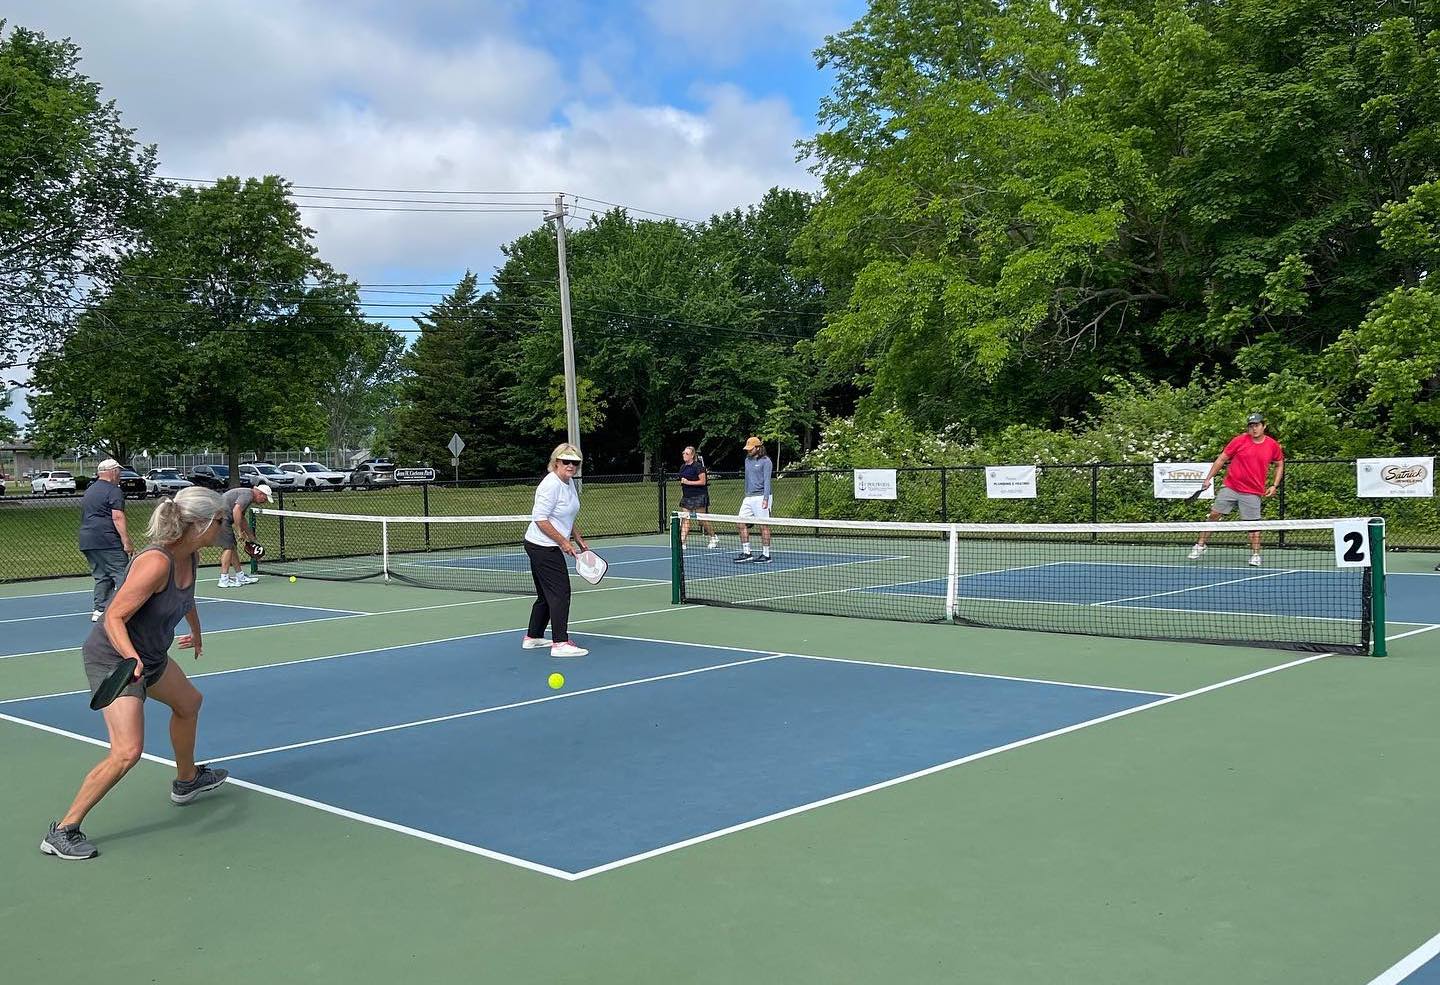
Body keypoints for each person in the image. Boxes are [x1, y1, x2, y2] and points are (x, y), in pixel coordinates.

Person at [41, 487, 231, 860]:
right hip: (115, 658)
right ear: (199, 524)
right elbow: (114, 616)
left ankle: (187, 780)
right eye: (220, 521)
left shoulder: (189, 557)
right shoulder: (155, 562)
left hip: (151, 656)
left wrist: (195, 629)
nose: (224, 528)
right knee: (127, 752)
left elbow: (185, 598)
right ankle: (63, 830)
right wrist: (131, 660)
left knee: (189, 703)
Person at [1188, 413, 1285, 567]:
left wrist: (1274, 485)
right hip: (1231, 486)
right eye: (1251, 426)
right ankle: (1200, 545)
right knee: (1214, 514)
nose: (1254, 429)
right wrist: (1208, 478)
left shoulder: (1272, 445)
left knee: (1253, 525)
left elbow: (1279, 464)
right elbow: (1222, 459)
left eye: (1257, 425)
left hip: (1253, 491)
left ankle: (1255, 554)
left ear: (1264, 426)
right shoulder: (1239, 440)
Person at [522, 444, 590, 658]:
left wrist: (577, 538)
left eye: (575, 462)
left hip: (546, 544)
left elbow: (566, 515)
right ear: (556, 462)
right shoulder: (550, 485)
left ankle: (533, 637)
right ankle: (560, 642)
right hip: (542, 546)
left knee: (545, 594)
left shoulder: (568, 483)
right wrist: (563, 542)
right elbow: (541, 519)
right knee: (561, 593)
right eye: (566, 461)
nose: (571, 465)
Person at [78, 459, 134, 622]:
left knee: (102, 575)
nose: (120, 476)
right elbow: (117, 516)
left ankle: (100, 609)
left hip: (88, 539)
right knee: (123, 574)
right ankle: (127, 609)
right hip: (107, 539)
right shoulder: (114, 491)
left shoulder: (90, 490)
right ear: (114, 471)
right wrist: (126, 540)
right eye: (119, 472)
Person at [216, 482, 272, 587]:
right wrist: (239, 531)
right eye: (264, 499)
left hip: (222, 519)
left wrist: (251, 537)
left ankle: (240, 576)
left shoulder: (247, 496)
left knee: (232, 547)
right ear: (260, 494)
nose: (264, 502)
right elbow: (236, 511)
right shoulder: (248, 495)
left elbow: (241, 517)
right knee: (228, 547)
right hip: (220, 519)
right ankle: (223, 580)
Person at [733, 436, 773, 563]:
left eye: (751, 449)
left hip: (762, 496)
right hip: (749, 497)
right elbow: (747, 479)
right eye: (748, 449)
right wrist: (747, 494)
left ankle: (766, 554)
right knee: (740, 523)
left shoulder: (766, 461)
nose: (748, 451)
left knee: (763, 526)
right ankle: (747, 552)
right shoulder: (747, 460)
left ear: (758, 448)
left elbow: (767, 481)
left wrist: (766, 499)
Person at [677, 446, 719, 549]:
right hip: (687, 497)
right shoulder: (683, 467)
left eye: (687, 454)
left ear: (692, 456)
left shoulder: (698, 467)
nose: (684, 455)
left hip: (699, 496)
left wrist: (688, 482)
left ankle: (713, 537)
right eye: (683, 453)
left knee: (702, 520)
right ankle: (682, 542)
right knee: (685, 518)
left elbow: (703, 482)